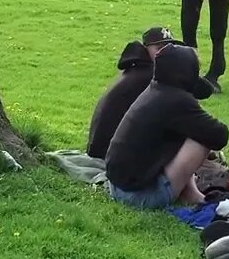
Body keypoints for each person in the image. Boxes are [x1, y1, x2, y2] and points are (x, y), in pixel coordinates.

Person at [105, 44, 229, 208]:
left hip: (116, 187)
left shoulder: (155, 90)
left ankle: (189, 193)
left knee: (191, 130)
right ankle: (191, 196)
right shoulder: (177, 100)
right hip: (139, 197)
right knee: (201, 138)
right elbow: (220, 135)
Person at [86, 26, 213, 160]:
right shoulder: (151, 74)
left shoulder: (138, 69)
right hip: (109, 152)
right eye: (159, 49)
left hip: (103, 147)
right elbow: (203, 90)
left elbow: (204, 90)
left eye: (169, 49)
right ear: (145, 49)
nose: (165, 53)